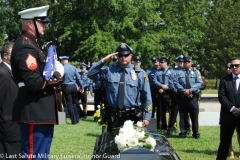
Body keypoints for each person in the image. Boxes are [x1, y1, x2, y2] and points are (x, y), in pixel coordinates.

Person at [11, 5, 64, 159]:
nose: (45, 25)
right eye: (42, 22)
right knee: (34, 156)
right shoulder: (25, 46)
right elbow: (34, 83)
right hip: (34, 111)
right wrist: (57, 76)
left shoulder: (32, 44)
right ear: (30, 23)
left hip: (39, 113)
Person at [87, 43, 152, 132]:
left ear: (131, 56)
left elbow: (147, 96)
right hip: (114, 117)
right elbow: (90, 74)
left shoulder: (140, 73)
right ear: (117, 56)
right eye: (120, 55)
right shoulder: (109, 71)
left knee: (133, 144)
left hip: (133, 117)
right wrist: (103, 60)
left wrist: (147, 117)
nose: (123, 57)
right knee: (113, 144)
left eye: (126, 55)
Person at [0, 42, 21, 160]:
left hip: (14, 125)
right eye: (14, 54)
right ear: (5, 56)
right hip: (7, 125)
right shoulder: (2, 72)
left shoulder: (11, 71)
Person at [173, 55, 202, 139]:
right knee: (182, 115)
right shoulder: (178, 72)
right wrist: (184, 91)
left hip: (193, 97)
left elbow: (199, 82)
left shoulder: (196, 71)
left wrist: (191, 90)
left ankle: (196, 133)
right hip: (182, 97)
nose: (186, 63)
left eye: (188, 62)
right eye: (184, 62)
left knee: (194, 116)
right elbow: (176, 83)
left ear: (191, 62)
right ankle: (183, 132)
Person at [222, 59, 240, 159]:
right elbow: (222, 96)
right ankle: (230, 151)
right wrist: (232, 108)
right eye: (229, 67)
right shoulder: (224, 80)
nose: (232, 68)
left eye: (236, 65)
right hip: (228, 112)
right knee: (226, 138)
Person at [60, 56, 83, 124]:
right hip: (73, 86)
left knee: (69, 104)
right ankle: (77, 118)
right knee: (74, 103)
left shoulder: (62, 68)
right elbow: (78, 78)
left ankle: (74, 121)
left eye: (61, 61)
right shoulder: (73, 67)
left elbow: (60, 79)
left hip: (66, 87)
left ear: (63, 61)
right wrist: (81, 86)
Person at [153, 56, 172, 130]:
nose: (160, 64)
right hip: (160, 93)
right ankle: (163, 125)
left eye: (162, 62)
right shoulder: (157, 71)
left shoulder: (171, 71)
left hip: (169, 93)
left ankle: (172, 126)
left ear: (166, 63)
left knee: (171, 110)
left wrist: (167, 86)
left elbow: (173, 80)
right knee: (161, 110)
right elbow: (155, 81)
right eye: (160, 62)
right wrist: (161, 86)